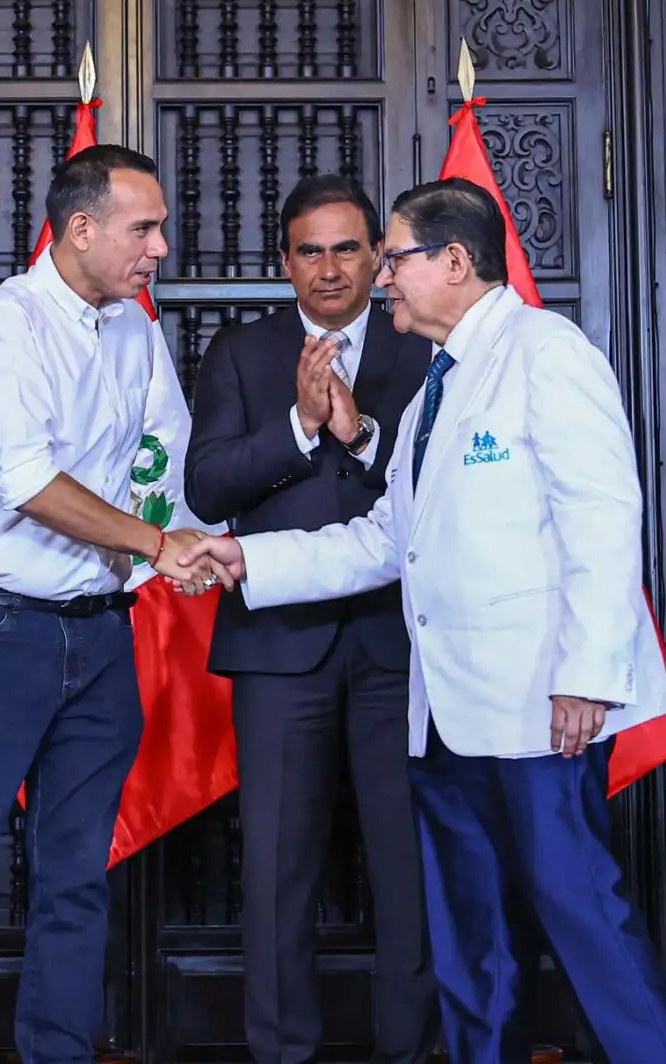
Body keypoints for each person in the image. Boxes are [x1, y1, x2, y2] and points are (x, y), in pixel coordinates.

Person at [178, 178, 666, 1064]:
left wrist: (587, 675)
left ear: (455, 261)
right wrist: (247, 558)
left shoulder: (546, 352)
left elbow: (604, 521)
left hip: (542, 710)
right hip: (448, 717)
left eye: (395, 259)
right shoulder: (435, 388)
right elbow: (386, 541)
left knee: (582, 917)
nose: (381, 278)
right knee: (470, 933)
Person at [0, 145, 216, 1064]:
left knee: (77, 877)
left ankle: (58, 1051)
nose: (161, 248)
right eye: (144, 229)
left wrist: (179, 545)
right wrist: (156, 545)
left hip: (99, 634)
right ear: (82, 228)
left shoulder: (135, 331)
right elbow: (28, 484)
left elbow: (156, 461)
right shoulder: (3, 324)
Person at [185, 174, 435, 1064]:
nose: (329, 269)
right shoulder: (241, 351)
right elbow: (206, 487)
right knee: (278, 868)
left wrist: (355, 432)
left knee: (407, 864)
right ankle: (282, 1050)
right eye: (309, 251)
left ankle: (408, 1047)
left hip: (399, 642)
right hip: (278, 646)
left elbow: (432, 493)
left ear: (379, 257)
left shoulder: (423, 344)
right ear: (284, 262)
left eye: (347, 249)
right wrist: (297, 425)